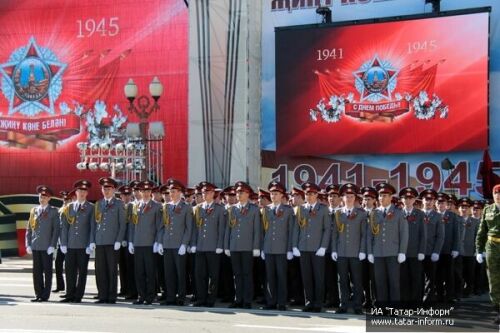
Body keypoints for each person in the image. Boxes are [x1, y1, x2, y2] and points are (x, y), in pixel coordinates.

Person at [367, 182, 408, 310]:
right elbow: (370, 235)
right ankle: (381, 307)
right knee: (380, 282)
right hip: (378, 253)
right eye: (380, 195)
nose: (382, 198)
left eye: (385, 195)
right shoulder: (374, 213)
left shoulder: (399, 212)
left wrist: (402, 252)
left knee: (394, 282)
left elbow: (404, 233)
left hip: (393, 253)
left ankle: (394, 308)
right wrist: (370, 252)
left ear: (391, 197)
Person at [292, 182, 331, 312]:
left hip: (317, 249)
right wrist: (295, 246)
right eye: (307, 194)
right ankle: (309, 301)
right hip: (303, 248)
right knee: (306, 276)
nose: (309, 196)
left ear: (316, 195)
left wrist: (323, 247)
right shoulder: (300, 209)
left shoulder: (323, 209)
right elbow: (296, 228)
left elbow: (327, 229)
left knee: (318, 277)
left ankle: (318, 303)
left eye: (312, 194)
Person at [224, 181, 261, 309]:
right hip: (234, 246)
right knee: (237, 274)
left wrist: (256, 247)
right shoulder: (232, 209)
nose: (238, 194)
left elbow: (257, 230)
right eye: (237, 192)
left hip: (247, 247)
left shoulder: (254, 209)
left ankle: (247, 300)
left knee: (247, 274)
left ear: (247, 194)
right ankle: (238, 299)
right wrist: (227, 246)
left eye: (241, 192)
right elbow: (228, 229)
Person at [331, 183, 366, 314]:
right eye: (347, 196)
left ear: (355, 197)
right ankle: (343, 304)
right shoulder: (338, 213)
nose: (349, 198)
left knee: (357, 280)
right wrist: (334, 250)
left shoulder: (361, 214)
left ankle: (358, 305)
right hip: (341, 252)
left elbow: (364, 234)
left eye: (351, 196)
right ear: (342, 198)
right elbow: (334, 233)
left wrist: (362, 250)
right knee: (342, 279)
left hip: (356, 252)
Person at [158, 178, 193, 306]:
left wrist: (184, 244)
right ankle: (170, 297)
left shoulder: (186, 207)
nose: (171, 194)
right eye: (170, 191)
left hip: (179, 245)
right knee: (169, 273)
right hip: (167, 244)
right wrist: (160, 242)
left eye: (174, 191)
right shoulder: (166, 207)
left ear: (180, 192)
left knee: (180, 273)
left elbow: (189, 228)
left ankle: (181, 297)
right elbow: (162, 227)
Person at [260, 181, 294, 311]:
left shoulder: (288, 210)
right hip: (268, 248)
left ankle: (281, 302)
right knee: (269, 276)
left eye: (276, 193)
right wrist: (262, 247)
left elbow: (290, 231)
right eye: (272, 193)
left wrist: (290, 249)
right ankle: (271, 301)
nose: (273, 196)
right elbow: (262, 230)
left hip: (282, 248)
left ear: (281, 195)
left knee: (281, 276)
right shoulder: (266, 209)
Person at [191, 181, 226, 307]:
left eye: (207, 192)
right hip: (200, 246)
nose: (204, 194)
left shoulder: (219, 209)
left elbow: (221, 229)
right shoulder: (198, 208)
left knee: (213, 275)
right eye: (203, 192)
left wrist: (219, 245)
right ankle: (201, 298)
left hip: (213, 247)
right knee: (200, 274)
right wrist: (193, 244)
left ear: (213, 194)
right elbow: (195, 228)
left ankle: (211, 299)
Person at [59, 180, 94, 303]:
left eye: (85, 191)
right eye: (80, 191)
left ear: (87, 193)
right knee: (69, 271)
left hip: (83, 245)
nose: (82, 193)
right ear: (76, 192)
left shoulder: (91, 208)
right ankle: (69, 294)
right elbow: (64, 227)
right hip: (70, 245)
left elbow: (92, 227)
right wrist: (63, 243)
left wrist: (90, 243)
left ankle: (78, 295)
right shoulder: (68, 207)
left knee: (82, 272)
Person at [128, 180, 163, 305]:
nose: (146, 193)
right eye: (143, 191)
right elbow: (132, 225)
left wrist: (158, 242)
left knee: (150, 271)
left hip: (150, 243)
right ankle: (141, 295)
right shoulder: (135, 206)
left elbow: (160, 226)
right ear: (140, 192)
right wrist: (131, 241)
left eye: (148, 191)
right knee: (139, 272)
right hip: (138, 243)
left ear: (151, 192)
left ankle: (150, 296)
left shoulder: (157, 206)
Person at [92, 177, 126, 304]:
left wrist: (118, 240)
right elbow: (95, 224)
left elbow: (122, 224)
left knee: (111, 270)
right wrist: (93, 240)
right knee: (100, 270)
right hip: (100, 241)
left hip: (113, 242)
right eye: (104, 188)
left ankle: (111, 296)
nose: (106, 191)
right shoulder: (98, 204)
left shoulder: (118, 204)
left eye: (109, 189)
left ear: (114, 190)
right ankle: (102, 295)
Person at [25, 185, 60, 302]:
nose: (42, 199)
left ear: (49, 198)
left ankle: (45, 295)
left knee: (47, 271)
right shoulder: (34, 210)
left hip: (47, 246)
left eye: (45, 197)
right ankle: (38, 293)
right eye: (41, 196)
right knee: (37, 272)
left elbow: (56, 230)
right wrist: (28, 244)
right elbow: (29, 229)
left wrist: (52, 245)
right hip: (35, 246)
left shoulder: (54, 211)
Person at [476, 184, 500, 324]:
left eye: (499, 193)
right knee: (494, 279)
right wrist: (479, 250)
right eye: (495, 193)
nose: (498, 196)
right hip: (492, 246)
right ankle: (498, 310)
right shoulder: (487, 210)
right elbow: (482, 231)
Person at [399, 187, 426, 307]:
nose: (407, 200)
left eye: (410, 198)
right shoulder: (398, 213)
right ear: (401, 199)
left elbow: (423, 235)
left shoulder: (420, 214)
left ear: (414, 199)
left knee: (416, 278)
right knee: (403, 278)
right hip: (401, 253)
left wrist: (421, 251)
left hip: (415, 253)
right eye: (405, 198)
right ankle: (404, 301)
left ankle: (416, 302)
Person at [419, 189, 444, 305]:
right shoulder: (417, 214)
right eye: (426, 199)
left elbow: (440, 236)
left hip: (431, 251)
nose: (428, 202)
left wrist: (436, 252)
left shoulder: (438, 216)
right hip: (418, 251)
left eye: (431, 200)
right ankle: (418, 297)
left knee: (430, 277)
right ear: (422, 201)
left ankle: (428, 299)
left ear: (434, 202)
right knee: (418, 276)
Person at [435, 192, 460, 304]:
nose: (440, 205)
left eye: (443, 202)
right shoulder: (432, 215)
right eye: (438, 202)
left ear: (446, 204)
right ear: (436, 204)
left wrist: (455, 248)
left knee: (449, 275)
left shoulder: (453, 216)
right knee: (437, 275)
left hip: (448, 250)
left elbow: (456, 234)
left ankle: (449, 296)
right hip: (435, 250)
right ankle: (439, 295)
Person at [53, 190, 74, 294]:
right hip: (61, 243)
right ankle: (60, 286)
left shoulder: (73, 210)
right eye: (65, 199)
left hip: (70, 243)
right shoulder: (60, 210)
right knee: (58, 264)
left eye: (68, 199)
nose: (66, 201)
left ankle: (71, 287)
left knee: (70, 267)